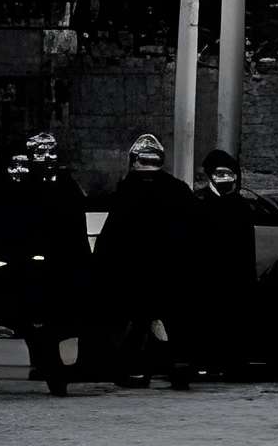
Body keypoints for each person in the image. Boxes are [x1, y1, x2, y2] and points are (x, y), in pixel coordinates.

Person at [0, 137, 89, 395]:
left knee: (27, 318)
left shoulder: (40, 187)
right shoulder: (32, 188)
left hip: (22, 263)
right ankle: (42, 370)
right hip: (16, 263)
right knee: (19, 318)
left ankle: (38, 367)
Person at [89, 133, 199, 389]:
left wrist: (102, 265)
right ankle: (177, 366)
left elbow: (114, 233)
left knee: (137, 321)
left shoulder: (128, 189)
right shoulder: (177, 189)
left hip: (135, 270)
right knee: (171, 320)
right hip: (170, 269)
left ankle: (138, 369)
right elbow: (193, 229)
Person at [175, 150, 264, 380]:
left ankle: (231, 363)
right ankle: (205, 363)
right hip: (206, 274)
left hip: (234, 274)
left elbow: (247, 246)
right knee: (206, 319)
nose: (225, 179)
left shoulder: (241, 206)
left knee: (232, 319)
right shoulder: (198, 203)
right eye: (220, 174)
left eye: (229, 174)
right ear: (210, 176)